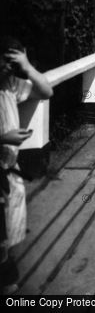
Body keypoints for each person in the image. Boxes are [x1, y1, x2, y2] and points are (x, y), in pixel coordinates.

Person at [0, 37, 54, 294]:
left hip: (8, 173)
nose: (6, 67)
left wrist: (28, 66)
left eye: (9, 63)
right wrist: (4, 138)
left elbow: (46, 91)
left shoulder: (9, 86)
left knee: (7, 238)